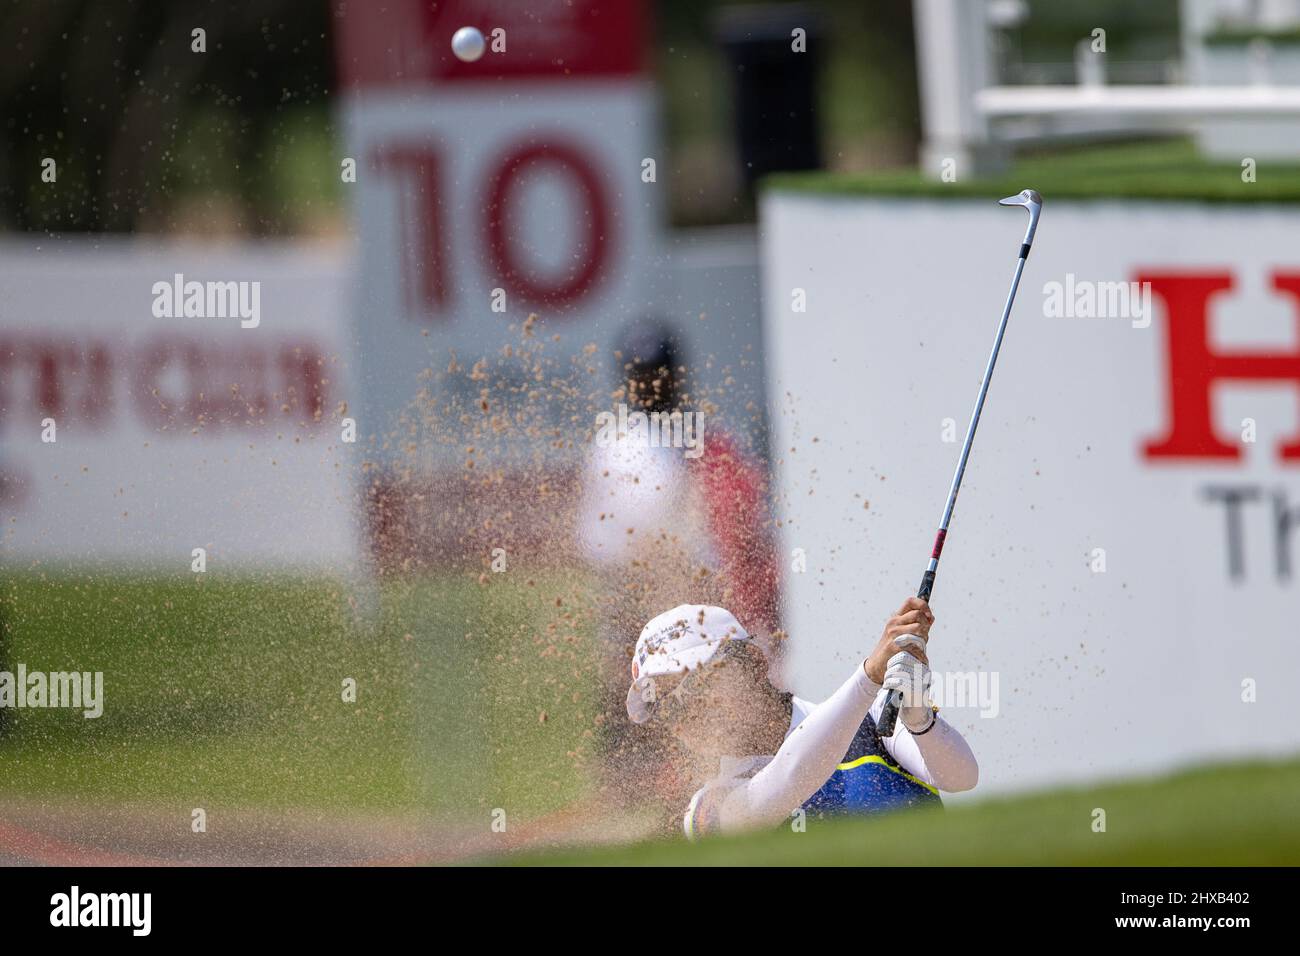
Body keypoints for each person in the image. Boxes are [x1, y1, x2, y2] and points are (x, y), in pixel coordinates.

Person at [624, 599, 978, 837]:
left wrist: (916, 714)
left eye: (696, 684)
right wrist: (869, 675)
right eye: (666, 706)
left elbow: (961, 777)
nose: (687, 714)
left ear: (753, 663)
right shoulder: (707, 809)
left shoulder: (871, 718)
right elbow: (789, 779)